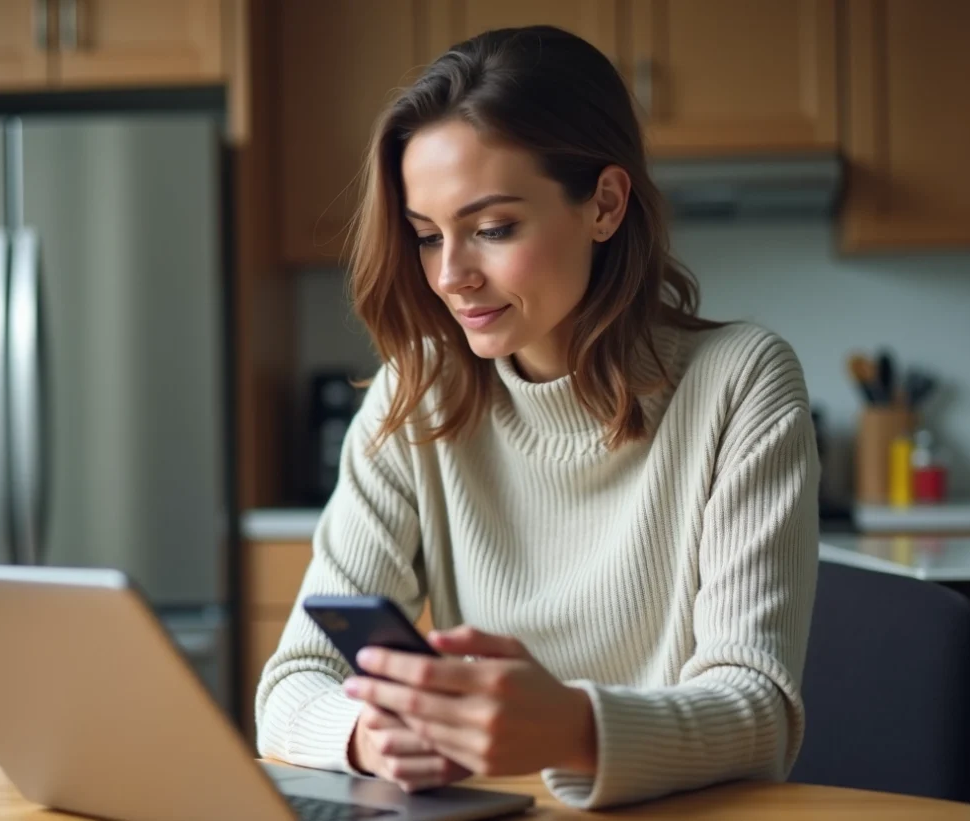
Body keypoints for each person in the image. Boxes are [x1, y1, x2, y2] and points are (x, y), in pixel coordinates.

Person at [256, 25, 819, 810]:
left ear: (605, 204)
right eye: (426, 236)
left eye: (492, 229)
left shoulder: (741, 382)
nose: (451, 276)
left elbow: (759, 711)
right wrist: (365, 733)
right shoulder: (416, 393)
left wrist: (573, 728)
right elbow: (290, 686)